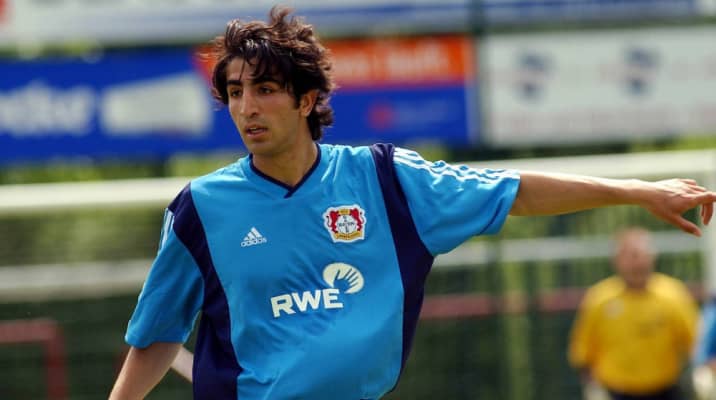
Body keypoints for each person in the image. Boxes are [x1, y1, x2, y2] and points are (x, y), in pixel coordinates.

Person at [109, 6, 716, 400]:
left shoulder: (385, 180)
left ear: (306, 100)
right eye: (236, 91)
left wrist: (635, 191)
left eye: (265, 89)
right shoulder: (201, 208)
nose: (247, 107)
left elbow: (513, 190)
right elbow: (157, 336)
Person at [568, 227, 699, 400]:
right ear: (616, 260)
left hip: (665, 390)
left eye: (641, 255)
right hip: (615, 392)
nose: (637, 263)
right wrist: (593, 387)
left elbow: (696, 343)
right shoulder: (599, 298)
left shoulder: (674, 294)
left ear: (653, 257)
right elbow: (582, 352)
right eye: (630, 256)